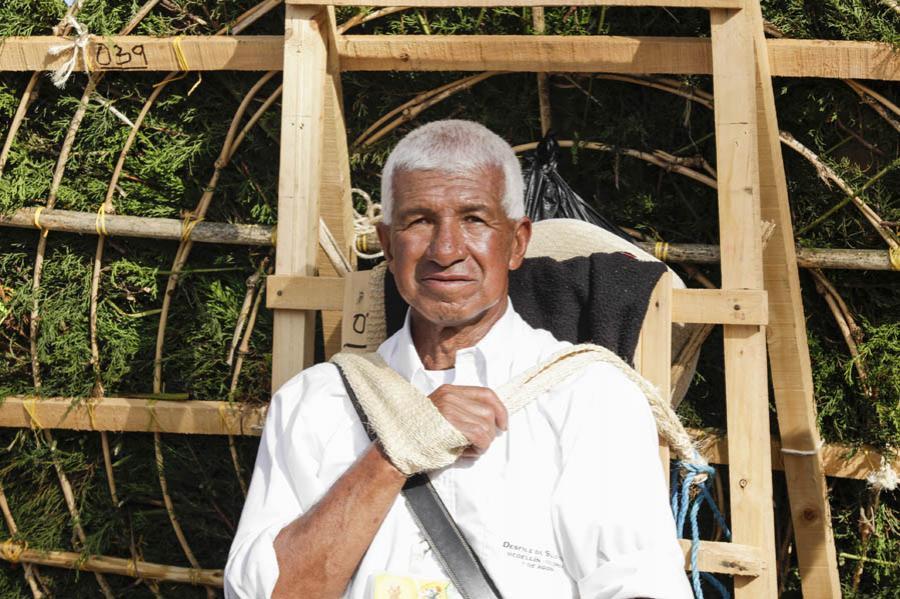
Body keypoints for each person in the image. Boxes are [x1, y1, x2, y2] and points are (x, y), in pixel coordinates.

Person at [225, 120, 692, 599]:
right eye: (420, 221)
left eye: (474, 219)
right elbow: (266, 593)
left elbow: (639, 587)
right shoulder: (315, 400)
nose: (446, 250)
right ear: (387, 244)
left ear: (516, 243)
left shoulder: (589, 396)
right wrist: (394, 454)